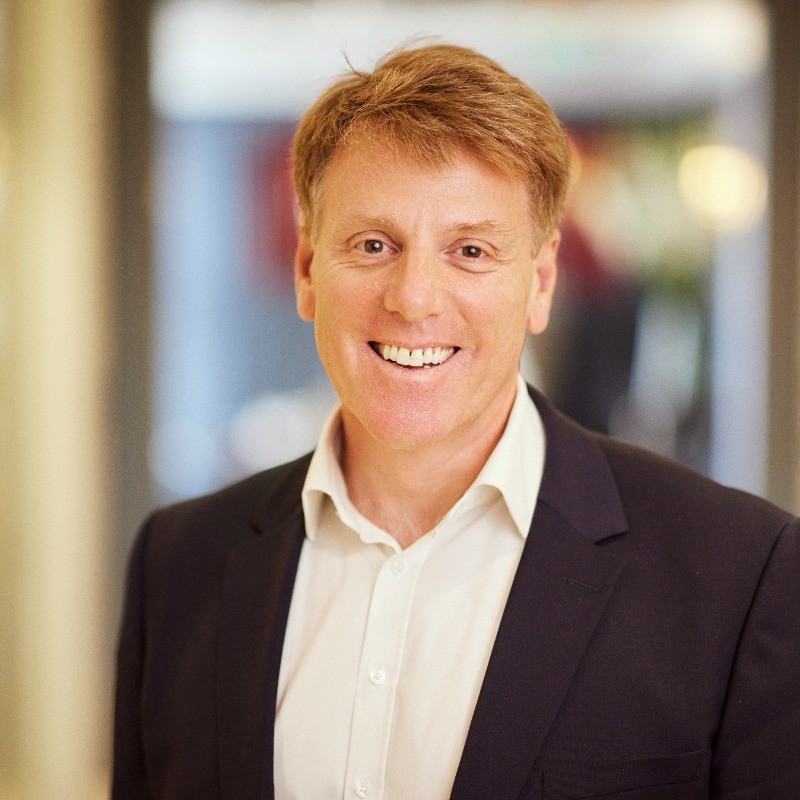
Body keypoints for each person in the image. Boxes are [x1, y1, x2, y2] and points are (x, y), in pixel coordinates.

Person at [112, 44, 800, 800]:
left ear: (540, 283)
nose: (414, 298)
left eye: (470, 250)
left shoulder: (739, 574)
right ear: (308, 270)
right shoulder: (178, 564)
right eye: (374, 245)